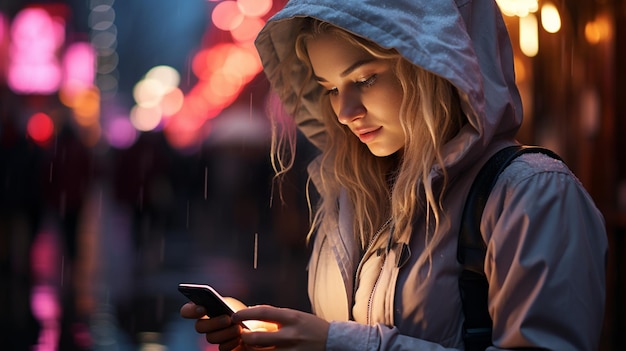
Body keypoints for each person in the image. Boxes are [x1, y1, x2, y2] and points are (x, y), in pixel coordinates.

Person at [180, 0, 608, 350]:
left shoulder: (534, 196)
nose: (345, 113)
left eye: (364, 78)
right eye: (329, 88)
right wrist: (279, 339)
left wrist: (337, 343)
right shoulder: (354, 195)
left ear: (435, 67)